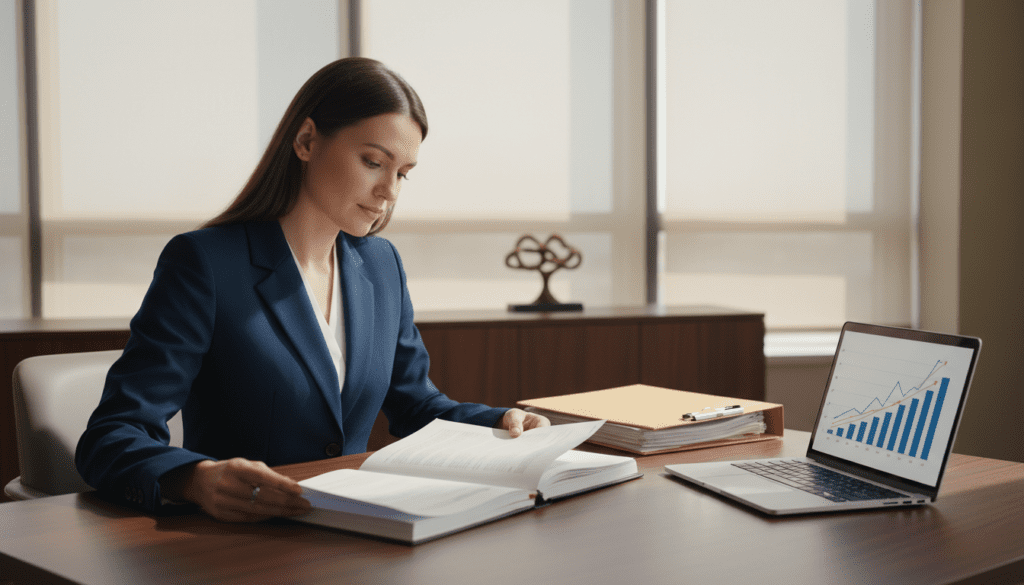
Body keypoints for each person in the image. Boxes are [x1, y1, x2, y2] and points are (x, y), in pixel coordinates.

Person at [75, 57, 549, 523]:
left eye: (402, 173)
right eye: (373, 162)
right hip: (239, 546)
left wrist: (499, 424)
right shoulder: (206, 264)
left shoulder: (381, 266)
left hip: (359, 536)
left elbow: (416, 406)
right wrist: (195, 479)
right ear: (306, 141)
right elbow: (113, 435)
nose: (390, 191)